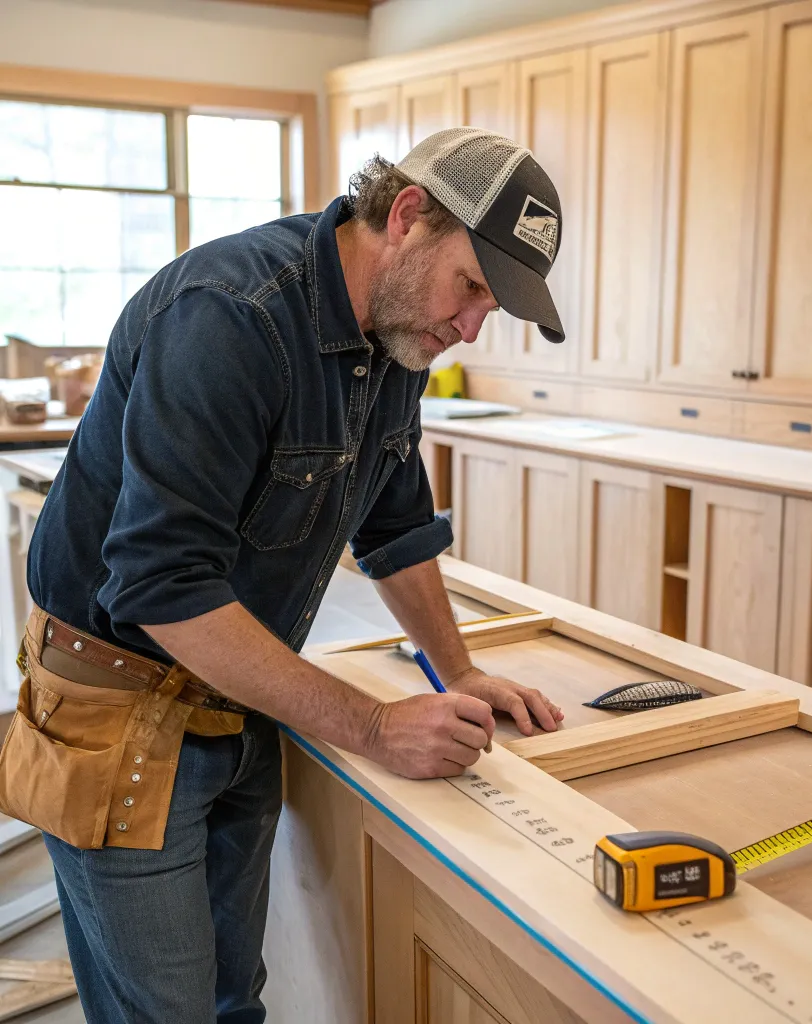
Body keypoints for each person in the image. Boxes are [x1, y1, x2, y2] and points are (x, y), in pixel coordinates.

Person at [0, 127, 568, 1023]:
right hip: (116, 715)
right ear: (408, 216)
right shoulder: (230, 315)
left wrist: (457, 672)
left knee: (234, 1004)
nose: (467, 328)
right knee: (166, 1015)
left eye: (488, 308)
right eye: (470, 288)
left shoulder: (397, 341)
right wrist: (377, 726)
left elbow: (397, 524)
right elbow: (163, 586)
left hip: (236, 696)